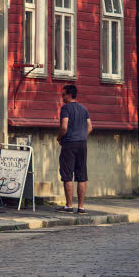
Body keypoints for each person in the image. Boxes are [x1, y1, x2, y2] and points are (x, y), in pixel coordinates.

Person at [57, 84, 91, 213]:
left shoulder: (65, 108)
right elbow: (90, 127)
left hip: (69, 143)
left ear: (69, 95)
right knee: (82, 175)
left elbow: (64, 126)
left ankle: (69, 205)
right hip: (82, 143)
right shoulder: (84, 109)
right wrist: (81, 135)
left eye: (63, 94)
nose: (62, 97)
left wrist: (59, 138)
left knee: (67, 175)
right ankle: (81, 207)